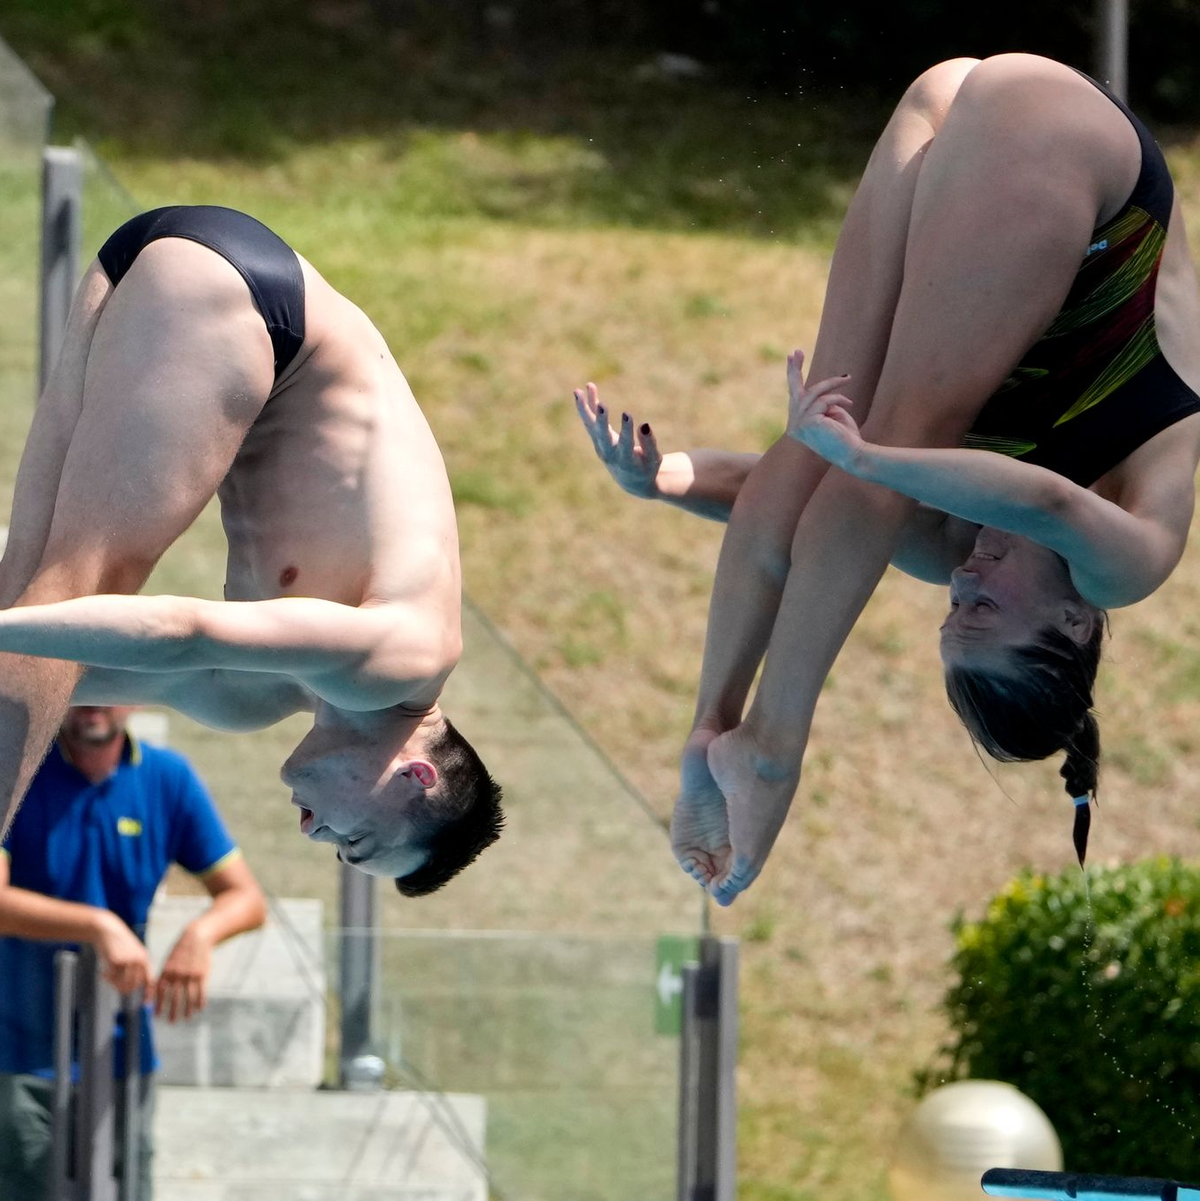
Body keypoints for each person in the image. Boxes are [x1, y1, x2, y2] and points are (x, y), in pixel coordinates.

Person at [575, 53, 1200, 900]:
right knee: (883, 445)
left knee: (820, 440)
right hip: (1074, 152)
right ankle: (771, 751)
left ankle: (711, 725)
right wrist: (874, 458)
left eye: (955, 608)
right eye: (985, 606)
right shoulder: (1123, 565)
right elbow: (1044, 497)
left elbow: (814, 485)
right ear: (1072, 622)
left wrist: (673, 479)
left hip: (946, 108)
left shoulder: (950, 542)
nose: (967, 579)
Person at [0, 204, 503, 895]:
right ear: (417, 775)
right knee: (63, 593)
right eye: (354, 839)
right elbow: (181, 631)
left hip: (161, 276)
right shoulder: (403, 663)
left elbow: (67, 672)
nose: (313, 834)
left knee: (27, 599)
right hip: (256, 310)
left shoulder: (256, 696)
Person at [0, 705, 267, 1198]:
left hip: (123, 1048)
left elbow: (246, 899)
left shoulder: (168, 778)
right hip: (20, 1050)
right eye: (81, 687)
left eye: (110, 684)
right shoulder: (15, 770)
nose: (94, 702)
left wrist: (200, 936)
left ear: (138, 694)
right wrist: (98, 925)